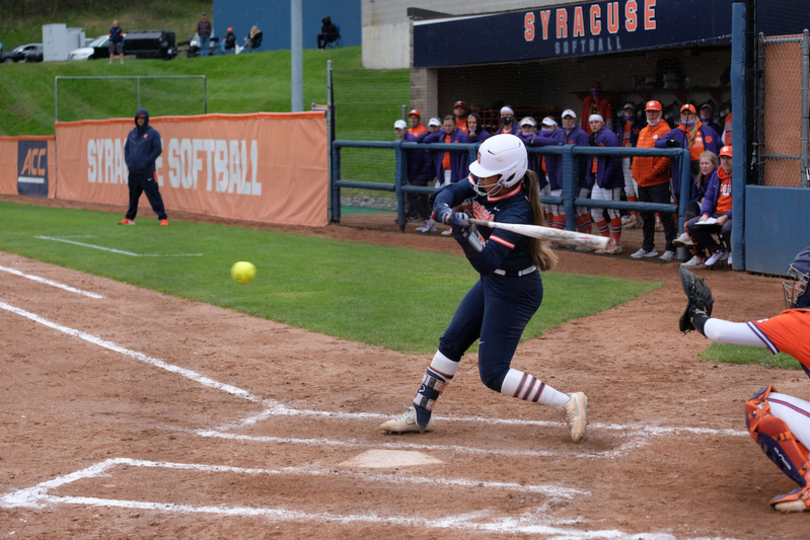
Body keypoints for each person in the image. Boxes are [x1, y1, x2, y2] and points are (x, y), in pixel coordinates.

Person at [379, 134, 589, 442]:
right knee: (452, 341)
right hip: (495, 282)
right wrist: (448, 214)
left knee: (493, 374)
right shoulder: (483, 184)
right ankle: (420, 413)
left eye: (488, 175)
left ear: (508, 177)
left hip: (516, 291)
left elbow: (487, 260)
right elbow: (444, 195)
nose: (479, 179)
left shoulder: (517, 212)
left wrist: (464, 235)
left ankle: (569, 401)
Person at [681, 246, 810, 512]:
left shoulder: (800, 324)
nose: (797, 286)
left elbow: (719, 331)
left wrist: (697, 315)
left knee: (761, 406)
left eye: (803, 280)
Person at [630, 100, 678, 261]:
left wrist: (654, 172)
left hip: (658, 181)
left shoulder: (666, 129)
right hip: (642, 181)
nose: (651, 114)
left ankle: (671, 248)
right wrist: (634, 172)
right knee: (646, 215)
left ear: (660, 113)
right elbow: (637, 154)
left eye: (654, 112)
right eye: (649, 112)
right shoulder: (643, 130)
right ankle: (648, 247)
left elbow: (667, 157)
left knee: (665, 215)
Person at [655, 103, 722, 201]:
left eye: (689, 114)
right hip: (685, 169)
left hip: (704, 167)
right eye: (684, 114)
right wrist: (669, 142)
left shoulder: (708, 130)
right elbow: (657, 143)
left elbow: (720, 147)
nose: (686, 116)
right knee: (685, 198)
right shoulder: (676, 132)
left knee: (707, 195)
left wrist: (719, 165)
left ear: (695, 115)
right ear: (680, 115)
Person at [685, 145, 733, 267]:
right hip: (716, 215)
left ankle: (731, 250)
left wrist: (726, 217)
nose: (726, 161)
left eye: (728, 158)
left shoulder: (738, 176)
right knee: (692, 225)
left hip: (732, 216)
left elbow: (740, 203)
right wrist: (705, 214)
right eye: (723, 158)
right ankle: (717, 250)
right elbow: (709, 198)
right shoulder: (717, 175)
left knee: (727, 228)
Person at [120, 110, 167, 226]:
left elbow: (157, 149)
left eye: (142, 118)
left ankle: (163, 218)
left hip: (147, 172)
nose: (140, 120)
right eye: (138, 118)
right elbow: (126, 149)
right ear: (135, 120)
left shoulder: (153, 133)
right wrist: (129, 162)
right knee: (133, 196)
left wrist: (147, 162)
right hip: (134, 172)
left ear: (146, 119)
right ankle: (130, 218)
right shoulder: (132, 133)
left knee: (153, 194)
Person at [587, 114, 624, 254]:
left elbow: (615, 159)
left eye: (596, 122)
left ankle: (616, 243)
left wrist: (606, 179)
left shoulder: (609, 136)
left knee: (613, 211)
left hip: (611, 180)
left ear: (602, 122)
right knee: (595, 212)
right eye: (591, 122)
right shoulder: (594, 136)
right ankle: (606, 241)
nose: (594, 124)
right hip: (599, 178)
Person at [523, 117, 566, 237]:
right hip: (545, 178)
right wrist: (536, 139)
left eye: (549, 126)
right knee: (548, 207)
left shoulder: (560, 133)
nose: (546, 129)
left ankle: (555, 238)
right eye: (544, 126)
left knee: (559, 208)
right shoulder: (543, 135)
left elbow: (557, 142)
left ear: (554, 126)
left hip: (558, 177)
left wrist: (536, 140)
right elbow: (526, 140)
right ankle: (553, 236)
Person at [675, 151, 718, 269]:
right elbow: (695, 197)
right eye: (702, 163)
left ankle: (686, 235)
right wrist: (702, 199)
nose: (704, 166)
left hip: (715, 211)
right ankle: (689, 240)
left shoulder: (717, 176)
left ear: (714, 164)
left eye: (707, 163)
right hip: (702, 211)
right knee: (692, 209)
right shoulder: (698, 179)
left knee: (693, 220)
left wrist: (708, 201)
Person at [561, 109, 593, 236]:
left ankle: (586, 235)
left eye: (570, 118)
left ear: (574, 120)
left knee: (578, 207)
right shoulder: (561, 133)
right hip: (568, 178)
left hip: (582, 177)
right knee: (573, 207)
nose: (568, 121)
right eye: (565, 118)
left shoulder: (581, 134)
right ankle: (583, 235)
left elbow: (585, 159)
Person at [614, 102, 645, 229]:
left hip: (635, 161)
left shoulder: (639, 126)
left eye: (630, 111)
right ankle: (634, 217)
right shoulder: (620, 127)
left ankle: (646, 218)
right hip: (623, 161)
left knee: (639, 190)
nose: (628, 113)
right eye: (626, 111)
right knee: (628, 190)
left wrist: (634, 145)